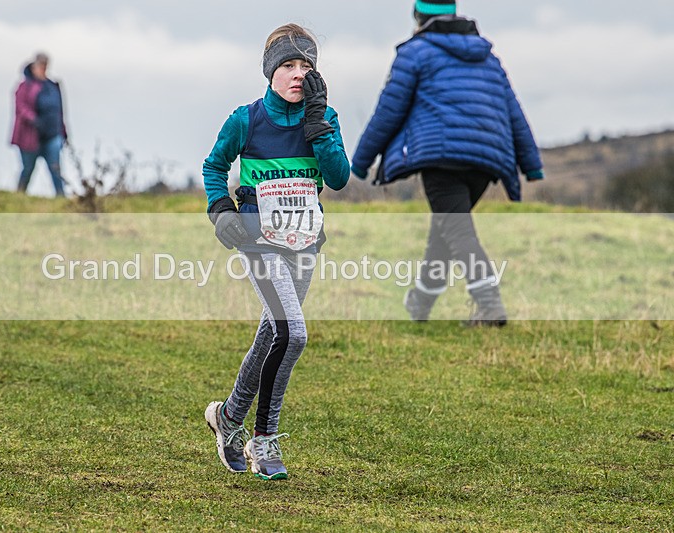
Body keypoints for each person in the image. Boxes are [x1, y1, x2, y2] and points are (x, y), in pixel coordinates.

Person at [202, 23, 349, 480]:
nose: (297, 75)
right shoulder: (246, 119)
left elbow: (340, 177)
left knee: (272, 334)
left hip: (305, 240)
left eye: (306, 66)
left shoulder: (323, 119)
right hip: (258, 238)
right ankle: (263, 440)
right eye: (288, 65)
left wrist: (320, 126)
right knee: (295, 333)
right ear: (270, 71)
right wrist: (221, 208)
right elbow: (214, 166)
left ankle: (228, 417)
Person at [351, 0, 544, 326]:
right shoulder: (488, 57)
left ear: (419, 18)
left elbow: (389, 110)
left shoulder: (416, 52)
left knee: (457, 231)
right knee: (445, 231)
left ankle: (490, 305)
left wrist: (361, 161)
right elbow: (513, 110)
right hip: (487, 159)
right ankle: (420, 304)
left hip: (442, 155)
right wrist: (531, 163)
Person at [10, 52, 68, 197]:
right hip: (30, 136)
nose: (43, 68)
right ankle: (20, 195)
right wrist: (34, 120)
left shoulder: (52, 86)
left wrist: (64, 132)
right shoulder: (25, 86)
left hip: (52, 134)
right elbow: (21, 108)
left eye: (45, 65)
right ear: (34, 66)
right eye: (41, 65)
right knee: (28, 168)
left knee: (55, 168)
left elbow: (60, 111)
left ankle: (61, 197)